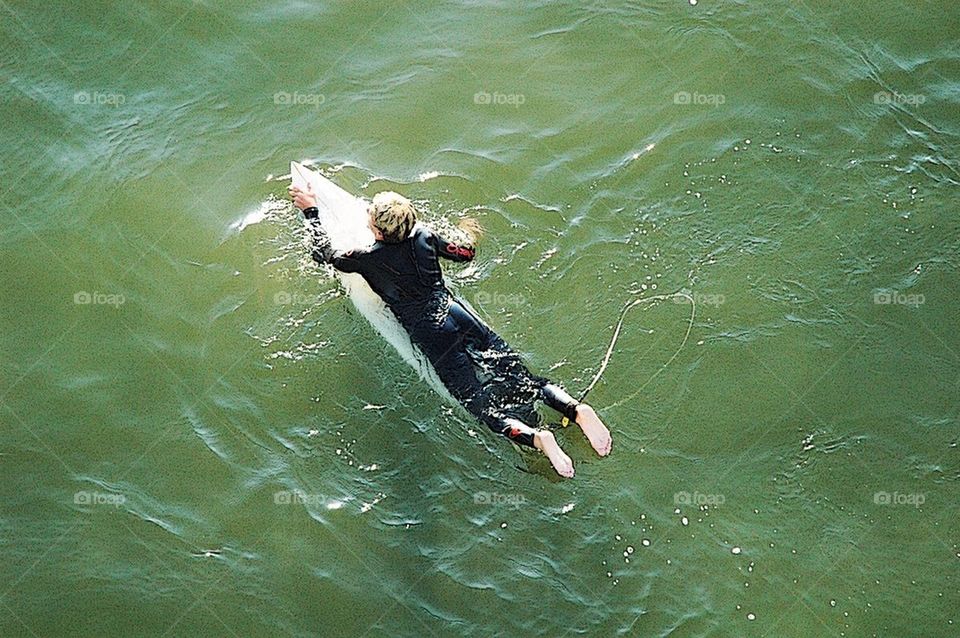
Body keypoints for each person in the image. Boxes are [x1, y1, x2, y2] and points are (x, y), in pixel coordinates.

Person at [288, 185, 612, 477]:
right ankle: (574, 409)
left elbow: (324, 254)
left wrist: (310, 210)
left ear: (379, 231)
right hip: (459, 314)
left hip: (432, 332)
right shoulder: (425, 236)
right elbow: (465, 253)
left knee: (481, 406)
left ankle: (537, 438)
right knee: (525, 379)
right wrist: (467, 232)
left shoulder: (366, 259)